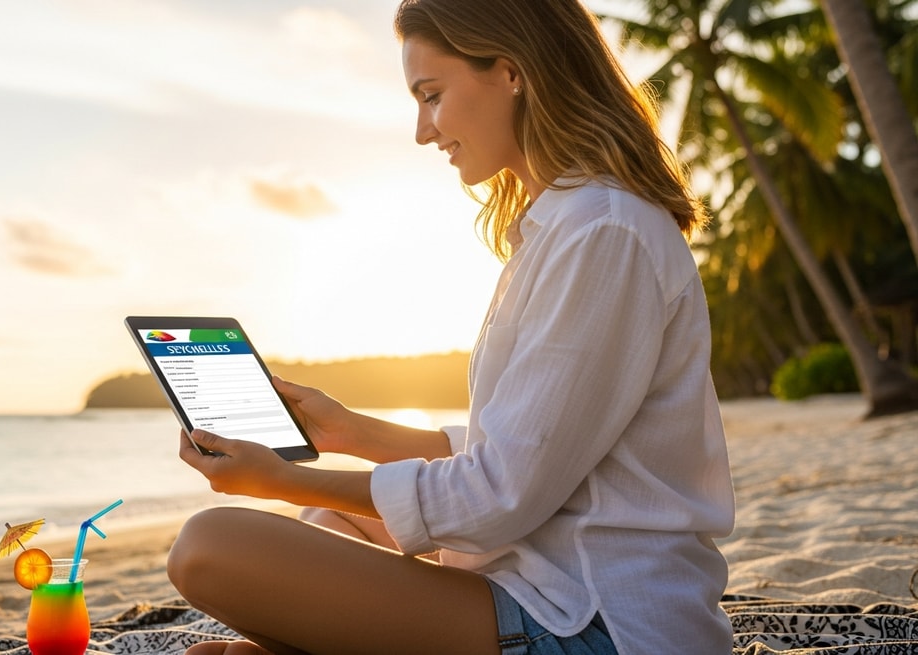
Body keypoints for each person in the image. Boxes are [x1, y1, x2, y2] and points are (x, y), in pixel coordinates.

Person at [164, 0, 736, 653]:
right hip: (545, 579)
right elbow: (526, 445)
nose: (422, 130)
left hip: (596, 620)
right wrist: (350, 430)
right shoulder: (561, 229)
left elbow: (503, 493)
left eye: (431, 95)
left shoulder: (602, 233)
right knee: (333, 517)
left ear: (512, 71)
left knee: (209, 545)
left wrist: (280, 478)